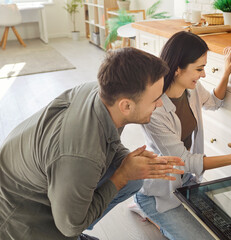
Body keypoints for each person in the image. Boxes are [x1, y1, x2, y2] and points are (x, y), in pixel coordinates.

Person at [0, 47, 185, 240]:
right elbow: (69, 227)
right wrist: (122, 175)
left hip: (35, 182)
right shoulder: (80, 154)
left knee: (134, 178)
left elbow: (108, 142)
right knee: (74, 224)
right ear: (126, 106)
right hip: (16, 218)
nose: (160, 104)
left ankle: (76, 218)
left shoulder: (103, 95)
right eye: (155, 99)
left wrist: (130, 162)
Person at [133, 31, 231, 240]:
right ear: (177, 69)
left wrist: (228, 72)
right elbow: (182, 162)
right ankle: (144, 206)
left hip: (187, 181)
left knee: (225, 232)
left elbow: (213, 103)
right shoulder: (155, 110)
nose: (203, 74)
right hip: (159, 191)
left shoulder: (190, 88)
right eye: (199, 69)